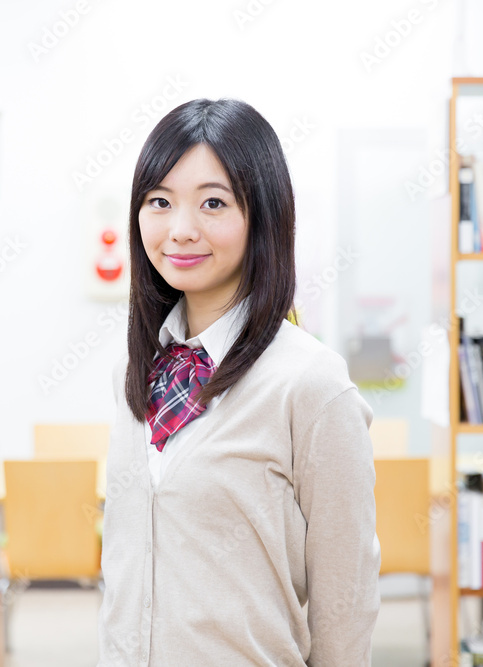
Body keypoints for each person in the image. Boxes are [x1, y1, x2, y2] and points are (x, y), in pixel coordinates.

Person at [97, 97, 380, 666]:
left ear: (264, 215)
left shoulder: (310, 385)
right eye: (159, 202)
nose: (180, 230)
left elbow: (346, 599)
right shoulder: (137, 371)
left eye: (213, 203)